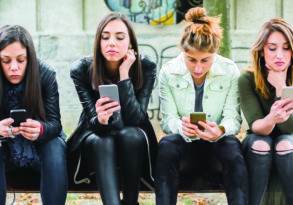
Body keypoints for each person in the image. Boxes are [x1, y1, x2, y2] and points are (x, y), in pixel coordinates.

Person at [155, 7, 248, 205]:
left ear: (214, 53)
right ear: (183, 53)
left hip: (217, 146)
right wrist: (181, 127)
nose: (198, 68)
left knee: (232, 148)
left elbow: (233, 118)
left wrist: (220, 129)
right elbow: (167, 119)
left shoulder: (229, 70)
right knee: (166, 146)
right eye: (191, 60)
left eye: (205, 60)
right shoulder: (168, 72)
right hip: (185, 148)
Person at [67, 12, 157, 205]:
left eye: (120, 37)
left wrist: (124, 76)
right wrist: (100, 118)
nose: (111, 43)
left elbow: (137, 119)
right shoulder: (81, 70)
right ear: (98, 42)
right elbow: (92, 123)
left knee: (130, 134)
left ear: (130, 43)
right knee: (103, 141)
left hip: (133, 140)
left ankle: (131, 202)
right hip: (95, 137)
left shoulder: (146, 67)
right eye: (105, 37)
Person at [0, 25, 67, 205]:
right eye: (6, 61)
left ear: (30, 58)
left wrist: (41, 129)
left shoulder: (46, 74)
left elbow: (55, 124)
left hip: (40, 147)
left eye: (21, 60)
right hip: (5, 147)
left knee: (55, 145)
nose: (14, 67)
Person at [238, 17, 293, 205]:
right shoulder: (247, 79)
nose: (280, 55)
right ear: (262, 50)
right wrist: (272, 117)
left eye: (286, 48)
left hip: (290, 140)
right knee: (261, 143)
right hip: (258, 138)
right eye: (272, 48)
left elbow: (288, 129)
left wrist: (281, 88)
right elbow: (257, 126)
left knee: (285, 143)